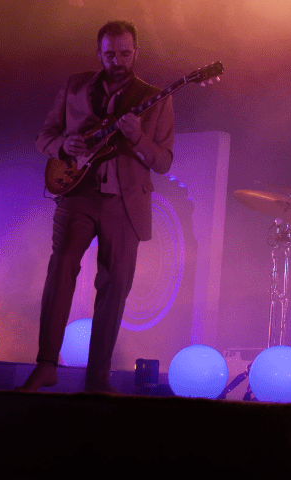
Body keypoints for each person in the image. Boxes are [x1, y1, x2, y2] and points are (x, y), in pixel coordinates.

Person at [18, 20, 175, 393]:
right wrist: (62, 146)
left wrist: (137, 138)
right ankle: (46, 365)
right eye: (109, 54)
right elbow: (43, 136)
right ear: (98, 53)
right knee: (61, 271)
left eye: (124, 53)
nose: (117, 61)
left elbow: (164, 161)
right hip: (77, 192)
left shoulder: (156, 99)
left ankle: (97, 379)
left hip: (124, 202)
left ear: (136, 52)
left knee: (114, 285)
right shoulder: (74, 86)